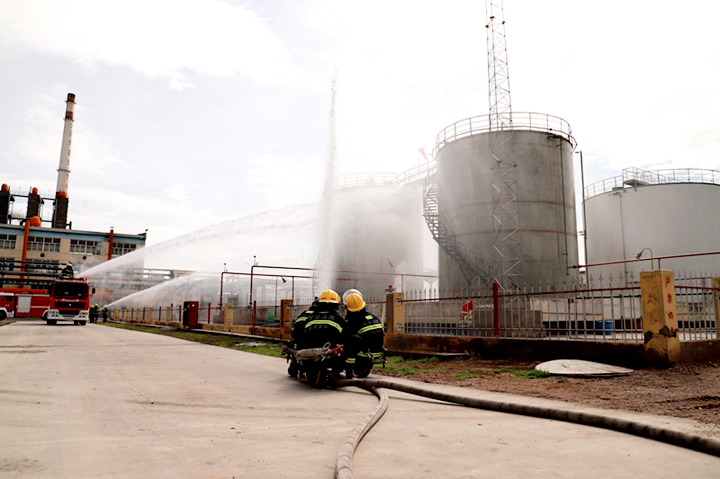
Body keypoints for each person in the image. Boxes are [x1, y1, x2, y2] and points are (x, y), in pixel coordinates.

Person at [302, 289, 351, 379]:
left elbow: (302, 336)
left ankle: (303, 369)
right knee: (354, 340)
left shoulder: (310, 318)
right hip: (331, 358)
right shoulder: (338, 319)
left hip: (308, 355)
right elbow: (347, 338)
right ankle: (336, 371)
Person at [344, 292, 385, 378]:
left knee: (348, 341)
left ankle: (348, 369)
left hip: (363, 356)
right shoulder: (374, 318)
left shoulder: (353, 322)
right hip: (378, 354)